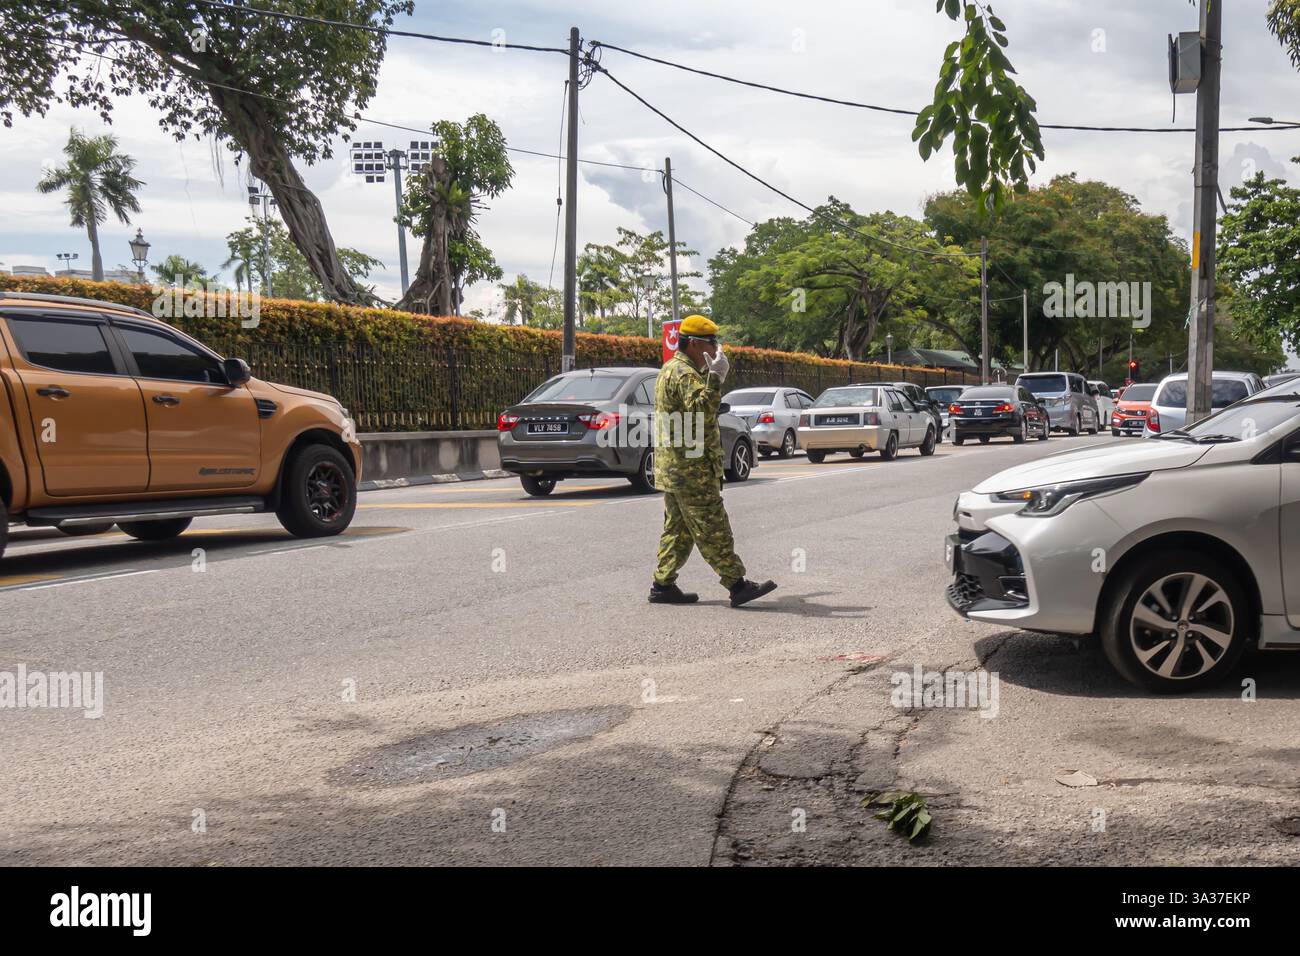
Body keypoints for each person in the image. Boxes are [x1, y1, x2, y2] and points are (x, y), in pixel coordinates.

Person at [649, 314, 777, 608]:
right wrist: (716, 377)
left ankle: (662, 585)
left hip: (676, 466)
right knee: (712, 526)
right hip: (690, 468)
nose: (715, 348)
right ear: (693, 342)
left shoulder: (671, 369)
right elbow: (700, 411)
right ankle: (737, 585)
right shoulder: (684, 373)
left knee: (679, 530)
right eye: (711, 342)